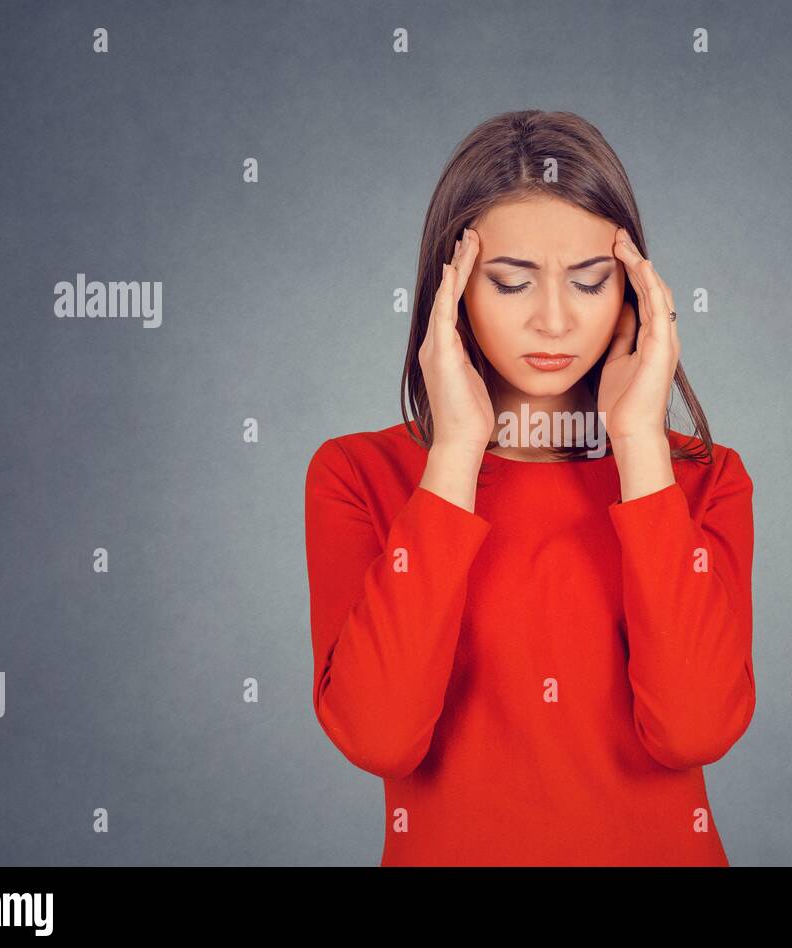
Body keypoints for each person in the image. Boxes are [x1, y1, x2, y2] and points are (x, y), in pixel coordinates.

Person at [304, 109, 756, 865]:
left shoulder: (704, 480)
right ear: (449, 295)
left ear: (635, 294)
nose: (554, 320)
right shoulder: (358, 476)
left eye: (590, 282)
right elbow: (380, 738)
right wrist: (454, 455)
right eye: (511, 283)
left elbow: (695, 729)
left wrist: (639, 445)